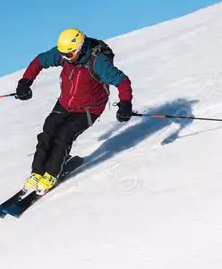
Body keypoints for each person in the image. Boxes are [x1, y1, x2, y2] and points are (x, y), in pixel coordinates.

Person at [14, 28, 134, 193]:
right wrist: (25, 82)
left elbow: (122, 81)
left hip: (89, 108)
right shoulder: (66, 53)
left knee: (64, 136)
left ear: (80, 48)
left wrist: (125, 103)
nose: (64, 58)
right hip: (65, 103)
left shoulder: (98, 62)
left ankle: (51, 173)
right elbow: (40, 60)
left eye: (68, 55)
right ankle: (37, 172)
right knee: (48, 131)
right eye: (62, 54)